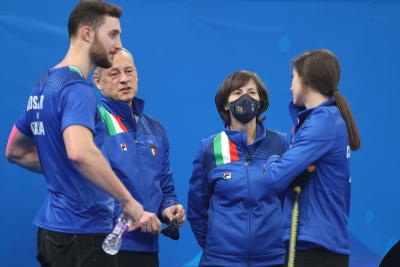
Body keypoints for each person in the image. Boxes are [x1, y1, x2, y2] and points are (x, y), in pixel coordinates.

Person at [5, 2, 154, 267]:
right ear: (87, 34)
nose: (118, 44)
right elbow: (80, 151)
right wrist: (130, 203)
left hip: (51, 234)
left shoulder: (43, 86)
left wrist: (61, 167)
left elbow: (14, 151)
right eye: (112, 34)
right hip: (83, 235)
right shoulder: (78, 91)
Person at [265, 49, 361, 267]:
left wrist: (272, 161)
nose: (290, 86)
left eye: (293, 78)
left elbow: (276, 178)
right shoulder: (324, 120)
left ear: (305, 80)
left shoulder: (322, 122)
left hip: (314, 250)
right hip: (315, 246)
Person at [92, 47, 186, 267]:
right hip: (106, 245)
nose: (124, 79)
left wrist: (169, 209)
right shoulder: (93, 122)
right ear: (98, 82)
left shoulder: (155, 129)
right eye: (114, 74)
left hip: (147, 247)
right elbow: (90, 184)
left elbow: (166, 188)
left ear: (137, 76)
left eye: (129, 71)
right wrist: (133, 215)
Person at [188, 70, 288, 267]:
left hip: (273, 260)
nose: (245, 97)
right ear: (226, 103)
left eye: (252, 92)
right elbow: (197, 210)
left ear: (260, 102)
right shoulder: (210, 147)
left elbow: (293, 201)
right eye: (237, 92)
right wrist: (217, 249)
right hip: (221, 261)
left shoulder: (281, 143)